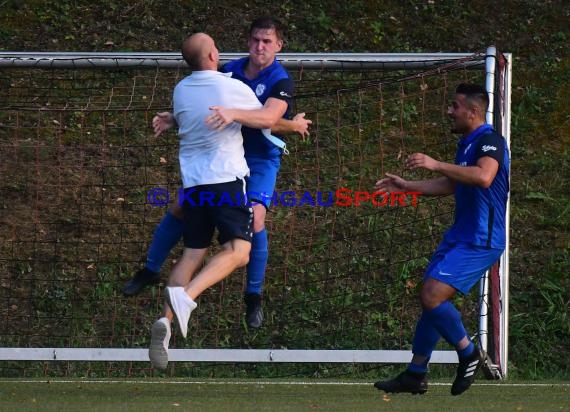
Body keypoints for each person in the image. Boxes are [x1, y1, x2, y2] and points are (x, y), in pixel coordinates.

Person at [123, 17, 311, 329]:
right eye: (255, 40)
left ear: (278, 46)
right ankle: (151, 273)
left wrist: (292, 125)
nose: (259, 47)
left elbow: (268, 118)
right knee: (181, 206)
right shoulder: (230, 71)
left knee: (257, 218)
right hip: (224, 154)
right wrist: (175, 117)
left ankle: (253, 296)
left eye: (267, 42)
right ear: (247, 41)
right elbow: (204, 100)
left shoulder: (281, 81)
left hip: (260, 157)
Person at [148, 32, 286, 370]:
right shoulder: (231, 87)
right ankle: (186, 298)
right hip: (226, 181)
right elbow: (268, 119)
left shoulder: (180, 90)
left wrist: (174, 117)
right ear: (212, 55)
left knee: (192, 253)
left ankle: (165, 323)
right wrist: (294, 125)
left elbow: (189, 114)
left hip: (194, 185)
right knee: (239, 251)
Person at [373, 83, 509, 396]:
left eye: (455, 106)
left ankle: (469, 353)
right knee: (432, 301)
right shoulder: (467, 142)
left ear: (473, 112)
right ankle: (415, 373)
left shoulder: (490, 140)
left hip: (481, 239)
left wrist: (435, 162)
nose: (449, 111)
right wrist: (407, 186)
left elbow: (483, 176)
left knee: (432, 295)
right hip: (461, 234)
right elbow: (452, 184)